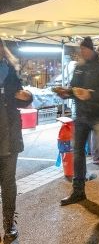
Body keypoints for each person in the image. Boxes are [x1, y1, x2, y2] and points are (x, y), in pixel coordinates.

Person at [59, 37, 99, 206]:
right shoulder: (80, 66)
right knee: (78, 151)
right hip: (81, 115)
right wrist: (66, 92)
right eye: (81, 50)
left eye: (85, 50)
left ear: (92, 49)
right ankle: (78, 190)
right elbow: (74, 87)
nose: (82, 53)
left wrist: (91, 94)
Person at [0, 39, 32, 241]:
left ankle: (9, 224)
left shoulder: (10, 70)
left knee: (9, 182)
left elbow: (22, 96)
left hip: (9, 133)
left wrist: (26, 96)